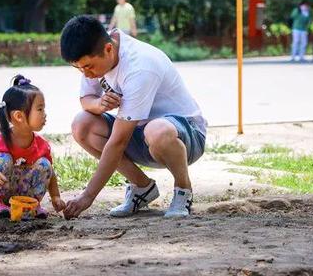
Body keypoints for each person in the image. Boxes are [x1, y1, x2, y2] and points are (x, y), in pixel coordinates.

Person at [60, 15, 207, 219]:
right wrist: (98, 104)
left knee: (157, 131)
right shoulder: (97, 53)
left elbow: (119, 141)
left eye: (88, 67)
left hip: (185, 136)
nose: (86, 74)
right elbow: (87, 99)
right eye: (79, 68)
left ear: (108, 49)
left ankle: (183, 190)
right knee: (82, 124)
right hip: (139, 134)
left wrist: (87, 197)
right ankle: (142, 187)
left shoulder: (140, 66)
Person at [0, 75, 65, 218]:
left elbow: (50, 175)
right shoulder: (0, 141)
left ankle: (31, 203)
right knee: (3, 159)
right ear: (19, 116)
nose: (45, 114)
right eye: (39, 109)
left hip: (21, 192)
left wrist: (56, 197)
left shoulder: (42, 145)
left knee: (45, 165)